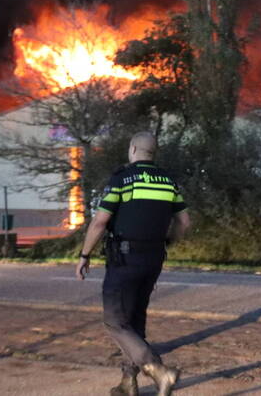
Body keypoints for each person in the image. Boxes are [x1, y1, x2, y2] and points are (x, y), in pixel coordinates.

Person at [77, 131, 190, 396]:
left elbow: (100, 222)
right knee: (135, 321)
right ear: (154, 152)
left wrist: (84, 255)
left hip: (125, 259)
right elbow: (185, 222)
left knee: (115, 321)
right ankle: (129, 383)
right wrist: (169, 241)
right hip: (153, 259)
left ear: (133, 148)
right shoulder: (168, 182)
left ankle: (159, 371)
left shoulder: (122, 179)